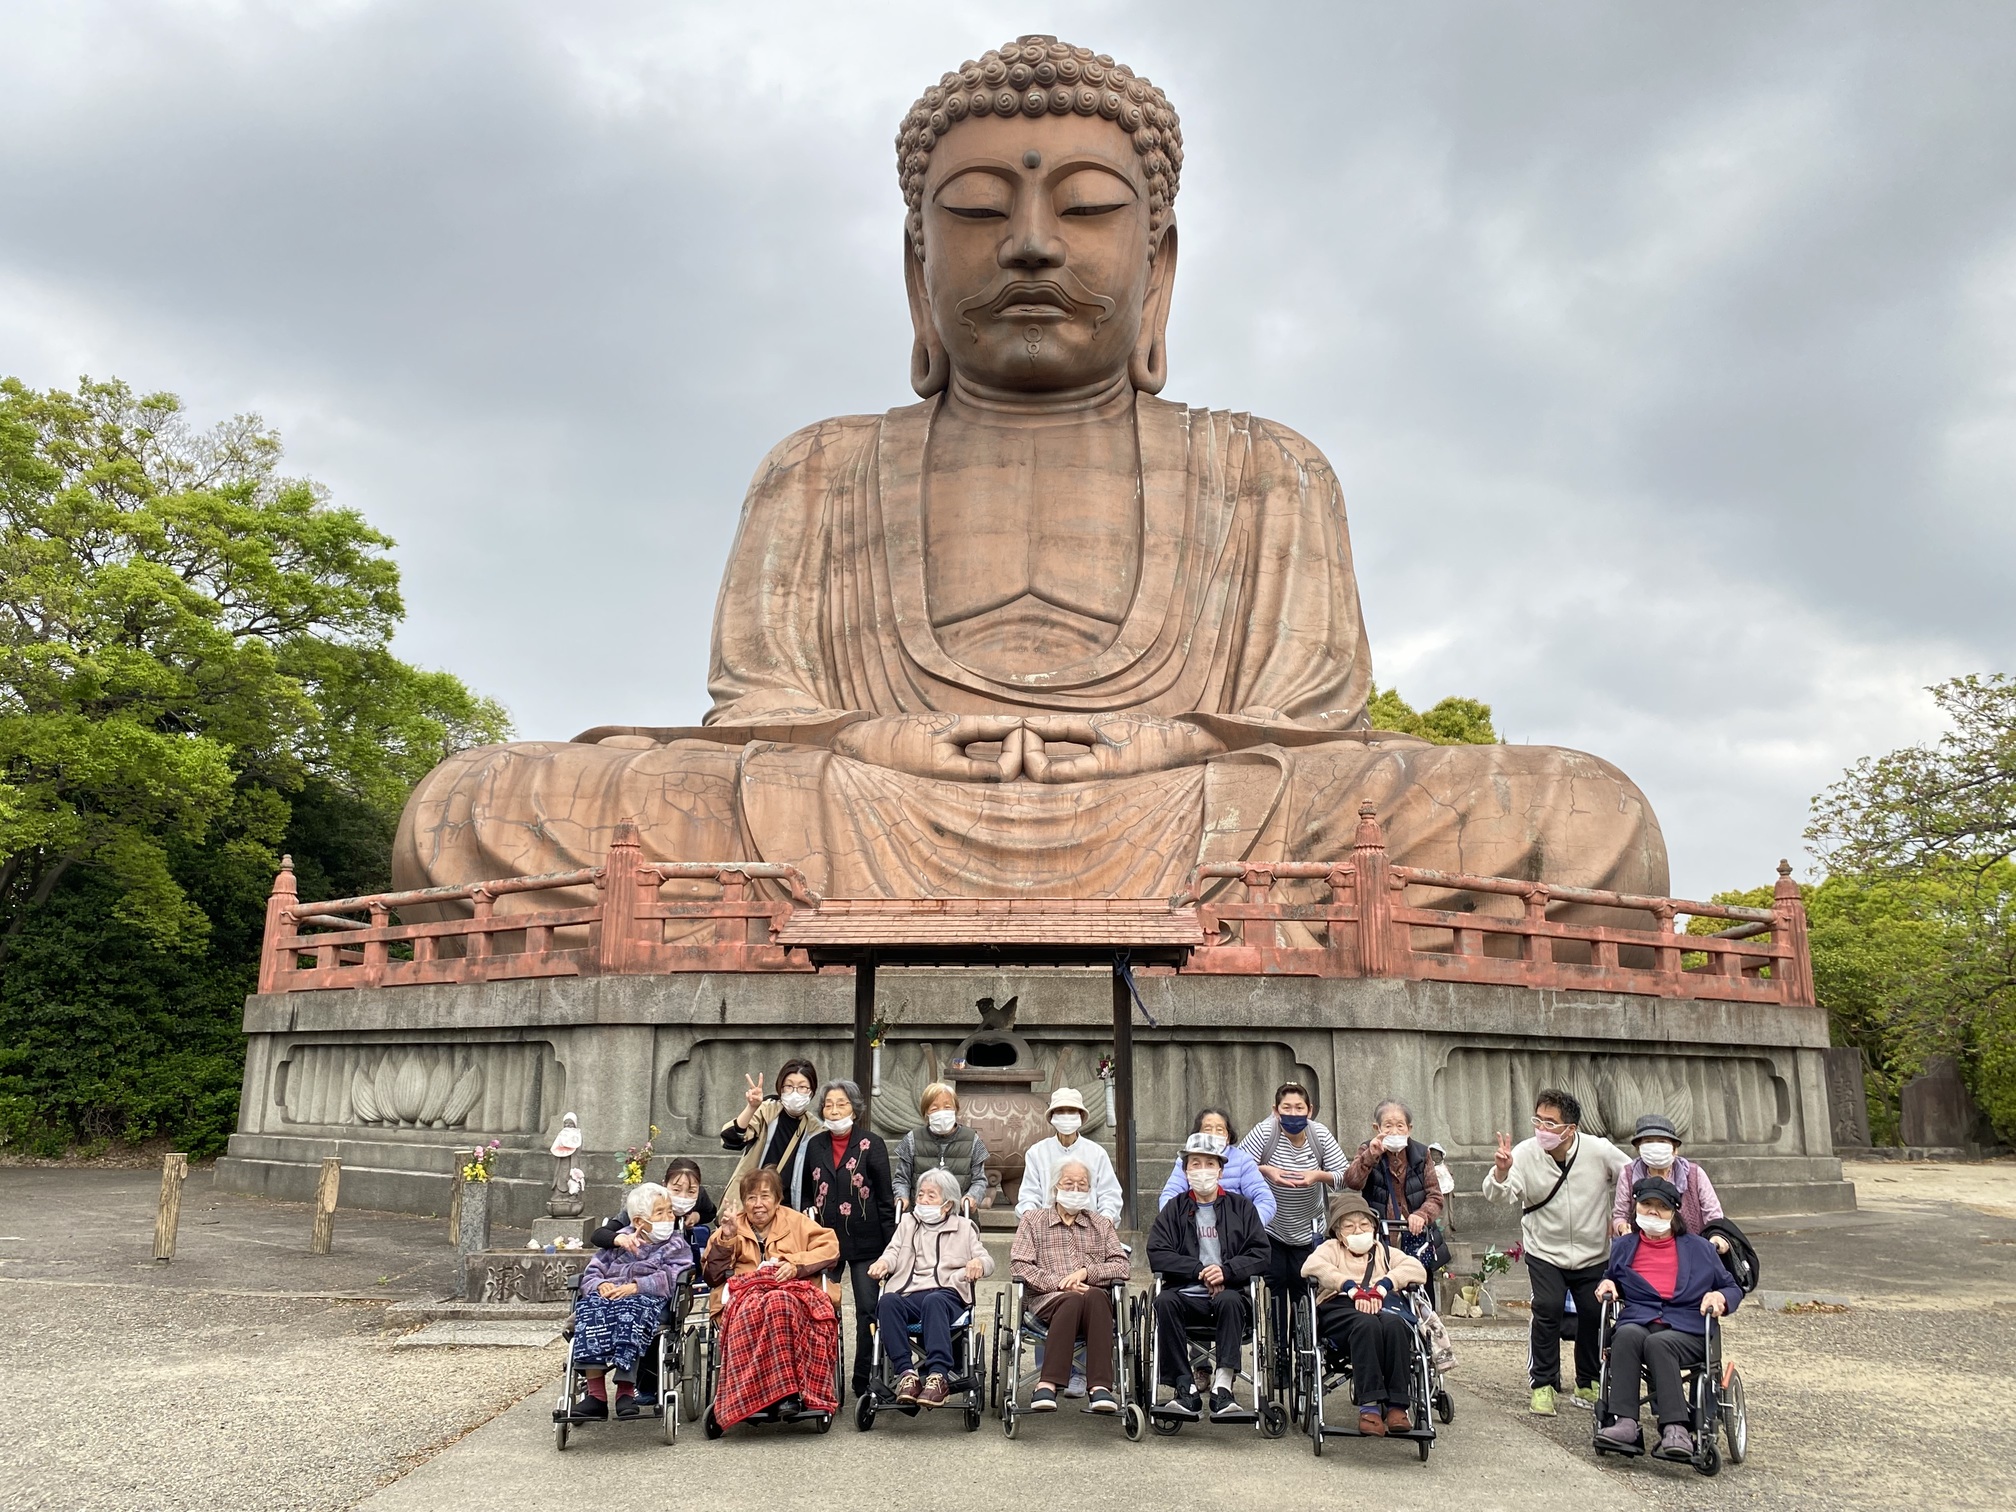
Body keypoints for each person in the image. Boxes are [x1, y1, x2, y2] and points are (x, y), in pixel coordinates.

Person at [1483, 1087, 1630, 1415]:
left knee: (1594, 1314)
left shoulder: (1598, 1150)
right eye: (1538, 1120)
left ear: (1570, 1129)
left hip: (1594, 1252)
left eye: (1551, 1123)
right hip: (1544, 1249)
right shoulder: (1523, 1153)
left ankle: (1588, 1381)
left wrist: (1622, 1216)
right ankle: (1544, 1385)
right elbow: (1500, 1195)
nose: (1542, 1129)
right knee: (1547, 1309)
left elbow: (1633, 1178)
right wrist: (1502, 1171)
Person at [1594, 1176, 1745, 1460]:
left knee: (1659, 1344)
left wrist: (1720, 1298)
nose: (1652, 1212)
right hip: (1639, 1321)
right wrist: (1608, 1284)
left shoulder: (1699, 1248)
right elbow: (1610, 1278)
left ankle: (1676, 1428)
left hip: (1687, 1329)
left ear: (1673, 1212)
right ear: (1636, 1208)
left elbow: (1731, 1286)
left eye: (1661, 1207)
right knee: (1625, 1335)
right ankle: (1625, 1423)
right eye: (1646, 1204)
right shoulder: (1624, 1247)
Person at [700, 1168, 843, 1428]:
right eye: (751, 1198)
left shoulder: (796, 1221)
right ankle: (765, 1395)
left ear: (778, 1199)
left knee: (780, 1302)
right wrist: (727, 1239)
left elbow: (830, 1247)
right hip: (745, 1299)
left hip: (793, 1299)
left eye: (765, 1196)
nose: (758, 1204)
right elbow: (712, 1275)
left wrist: (795, 1264)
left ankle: (786, 1393)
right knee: (764, 1306)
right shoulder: (732, 1226)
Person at [1148, 1133, 1271, 1420]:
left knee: (1230, 1300)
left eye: (1208, 1164)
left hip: (1229, 1295)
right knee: (1164, 1301)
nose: (1202, 1170)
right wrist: (1198, 1270)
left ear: (1220, 1170)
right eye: (1195, 1164)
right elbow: (1157, 1252)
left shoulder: (1242, 1208)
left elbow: (1261, 1253)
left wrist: (1226, 1272)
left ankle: (1223, 1386)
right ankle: (1184, 1386)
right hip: (1185, 1294)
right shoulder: (1174, 1209)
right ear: (1185, 1170)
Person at [787, 1078, 896, 1401]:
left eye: (842, 1104)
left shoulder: (871, 1143)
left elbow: (885, 1200)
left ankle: (863, 1378)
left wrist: (892, 1248)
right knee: (819, 1308)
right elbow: (805, 1191)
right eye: (829, 1105)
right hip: (824, 1243)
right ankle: (819, 1377)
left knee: (867, 1309)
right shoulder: (814, 1145)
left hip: (867, 1242)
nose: (834, 1110)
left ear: (855, 1108)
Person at [1240, 1081, 1349, 1371]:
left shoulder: (1320, 1134)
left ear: (1309, 1110)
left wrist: (1318, 1176)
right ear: (1275, 1111)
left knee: (1305, 1293)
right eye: (1286, 1108)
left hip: (1309, 1229)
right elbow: (1237, 1164)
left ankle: (1304, 1354)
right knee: (1275, 1292)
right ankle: (1279, 1358)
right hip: (1272, 1228)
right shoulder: (1265, 1132)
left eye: (1299, 1107)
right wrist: (1267, 1171)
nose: (1293, 1113)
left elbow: (1345, 1175)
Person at [1010, 1158, 1132, 1414]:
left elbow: (1122, 1266)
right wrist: (1060, 1283)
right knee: (1072, 1299)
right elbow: (1020, 1266)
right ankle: (1048, 1383)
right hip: (1046, 1301)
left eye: (1082, 1185)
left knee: (1097, 1297)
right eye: (1069, 1183)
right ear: (1055, 1187)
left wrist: (1087, 1273)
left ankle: (1100, 1387)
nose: (1076, 1190)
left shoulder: (1100, 1224)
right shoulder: (1033, 1221)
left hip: (1093, 1301)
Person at [1303, 1190, 1428, 1437]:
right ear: (1338, 1233)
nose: (1358, 1231)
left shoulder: (1384, 1251)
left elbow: (1416, 1269)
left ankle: (1396, 1407)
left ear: (1373, 1228)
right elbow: (1312, 1267)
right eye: (1349, 1226)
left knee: (1395, 1325)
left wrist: (1384, 1286)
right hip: (1341, 1306)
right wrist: (1349, 1287)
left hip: (1382, 1303)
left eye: (1364, 1224)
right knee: (1366, 1325)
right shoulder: (1331, 1248)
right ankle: (1369, 1409)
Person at [868, 1167, 994, 1406]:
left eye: (931, 1196)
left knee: (933, 1300)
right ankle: (907, 1374)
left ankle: (938, 1375)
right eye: (921, 1194)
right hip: (910, 1291)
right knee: (887, 1301)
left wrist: (978, 1263)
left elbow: (988, 1261)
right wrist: (883, 1262)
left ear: (947, 1204)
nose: (923, 1200)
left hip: (948, 1295)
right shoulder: (907, 1223)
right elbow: (893, 1252)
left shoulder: (964, 1228)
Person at [568, 1182, 694, 1420]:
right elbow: (593, 1270)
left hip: (645, 1298)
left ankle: (625, 1392)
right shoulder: (619, 1241)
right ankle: (596, 1396)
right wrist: (599, 1284)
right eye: (660, 1213)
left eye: (669, 1211)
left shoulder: (676, 1244)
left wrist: (636, 1287)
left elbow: (674, 1276)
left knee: (630, 1311)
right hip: (609, 1295)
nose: (669, 1217)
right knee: (589, 1310)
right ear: (638, 1221)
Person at [1343, 1099, 1446, 1279]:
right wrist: (1369, 1157)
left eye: (1400, 1126)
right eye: (1388, 1126)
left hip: (1414, 1235)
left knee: (1417, 1285)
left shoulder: (1422, 1153)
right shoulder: (1368, 1149)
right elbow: (1352, 1182)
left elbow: (1435, 1196)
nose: (1394, 1131)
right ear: (1377, 1128)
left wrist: (1422, 1215)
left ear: (1409, 1128)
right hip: (1380, 1235)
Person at [1610, 1115, 1727, 1250]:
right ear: (1638, 1149)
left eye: (1662, 1141)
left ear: (1675, 1149)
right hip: (1643, 1249)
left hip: (1691, 1249)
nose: (1655, 1147)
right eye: (1648, 1142)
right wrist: (1622, 1227)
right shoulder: (1628, 1174)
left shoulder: (1695, 1174)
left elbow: (1714, 1215)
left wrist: (1716, 1235)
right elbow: (1620, 1215)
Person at [719, 1056, 818, 1213]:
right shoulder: (768, 1110)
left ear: (812, 1091)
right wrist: (752, 1107)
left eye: (802, 1087)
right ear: (780, 1088)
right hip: (751, 1204)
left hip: (787, 1209)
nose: (795, 1092)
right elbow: (731, 1138)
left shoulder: (815, 1128)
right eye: (789, 1086)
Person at [1016, 1087, 1122, 1221]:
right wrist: (1031, 1220)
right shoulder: (1037, 1153)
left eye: (1071, 1111)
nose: (1066, 1115)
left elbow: (1110, 1194)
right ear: (1052, 1116)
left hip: (1089, 1228)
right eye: (1060, 1111)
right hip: (1047, 1228)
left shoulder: (1097, 1153)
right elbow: (1029, 1194)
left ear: (1080, 1115)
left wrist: (1105, 1220)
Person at [1156, 1108, 1277, 1225]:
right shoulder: (1185, 1160)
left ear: (1228, 1137)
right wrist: (1178, 1224)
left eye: (1219, 1130)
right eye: (1207, 1129)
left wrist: (1247, 1227)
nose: (1213, 1134)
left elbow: (1265, 1200)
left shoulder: (1243, 1161)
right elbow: (1170, 1194)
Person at [892, 1082, 990, 1213]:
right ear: (926, 1112)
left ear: (956, 1109)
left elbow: (979, 1180)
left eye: (947, 1107)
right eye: (934, 1109)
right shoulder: (912, 1139)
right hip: (921, 1216)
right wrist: (901, 1196)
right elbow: (901, 1179)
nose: (941, 1113)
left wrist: (972, 1197)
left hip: (959, 1219)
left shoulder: (972, 1139)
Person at [592, 1156, 715, 1258]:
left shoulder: (700, 1197)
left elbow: (711, 1213)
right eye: (676, 1190)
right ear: (664, 1184)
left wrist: (697, 1216)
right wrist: (620, 1239)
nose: (683, 1197)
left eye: (691, 1191)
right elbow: (599, 1235)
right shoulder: (646, 1202)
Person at [1427, 1142, 1457, 1232]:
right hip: (1434, 1194)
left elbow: (1449, 1179)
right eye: (1433, 1155)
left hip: (1446, 1194)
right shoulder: (1428, 1168)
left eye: (1437, 1155)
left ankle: (1447, 1232)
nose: (1436, 1157)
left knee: (1446, 1214)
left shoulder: (1445, 1168)